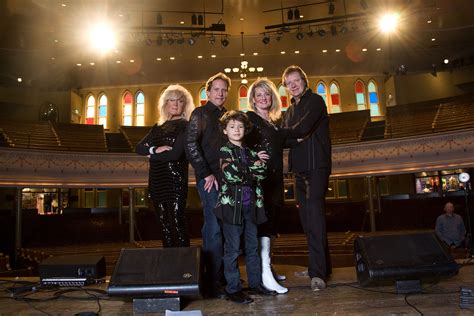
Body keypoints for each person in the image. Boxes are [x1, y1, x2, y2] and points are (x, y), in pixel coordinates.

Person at [214, 110, 276, 304]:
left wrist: (247, 169)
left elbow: (263, 172)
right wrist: (251, 168)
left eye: (240, 126)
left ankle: (255, 284)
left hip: (252, 208)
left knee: (252, 248)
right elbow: (230, 175)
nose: (236, 130)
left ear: (245, 129)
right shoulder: (224, 151)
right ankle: (233, 289)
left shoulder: (250, 152)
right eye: (232, 127)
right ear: (225, 130)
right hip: (231, 209)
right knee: (232, 250)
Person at [282, 65, 332, 291]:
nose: (293, 85)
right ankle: (320, 266)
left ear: (305, 80)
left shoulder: (316, 101)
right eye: (288, 83)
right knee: (307, 219)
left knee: (314, 218)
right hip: (300, 169)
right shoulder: (290, 109)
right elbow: (288, 139)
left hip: (315, 166)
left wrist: (290, 135)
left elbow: (301, 130)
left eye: (296, 80)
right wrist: (292, 137)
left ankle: (318, 274)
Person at [185, 72, 231, 298]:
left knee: (225, 227)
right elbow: (191, 145)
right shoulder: (200, 114)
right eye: (216, 90)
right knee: (213, 227)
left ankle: (223, 277)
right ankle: (212, 282)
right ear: (208, 92)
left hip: (228, 179)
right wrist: (205, 174)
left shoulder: (229, 116)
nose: (220, 93)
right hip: (209, 179)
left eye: (224, 90)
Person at [136, 84, 195, 248]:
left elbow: (175, 155)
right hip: (157, 181)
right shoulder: (157, 127)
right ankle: (170, 264)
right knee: (164, 225)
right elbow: (139, 148)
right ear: (165, 104)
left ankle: (185, 265)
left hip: (175, 181)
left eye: (179, 101)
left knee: (177, 223)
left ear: (184, 104)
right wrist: (155, 149)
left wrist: (152, 155)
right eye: (171, 100)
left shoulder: (187, 126)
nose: (175, 104)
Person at [246, 78, 288, 294]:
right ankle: (264, 274)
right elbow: (236, 141)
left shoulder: (274, 121)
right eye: (259, 95)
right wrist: (254, 156)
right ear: (253, 99)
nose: (263, 98)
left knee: (272, 223)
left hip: (275, 177)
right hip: (261, 179)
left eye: (267, 94)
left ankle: (267, 266)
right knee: (264, 223)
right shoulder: (250, 119)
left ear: (272, 98)